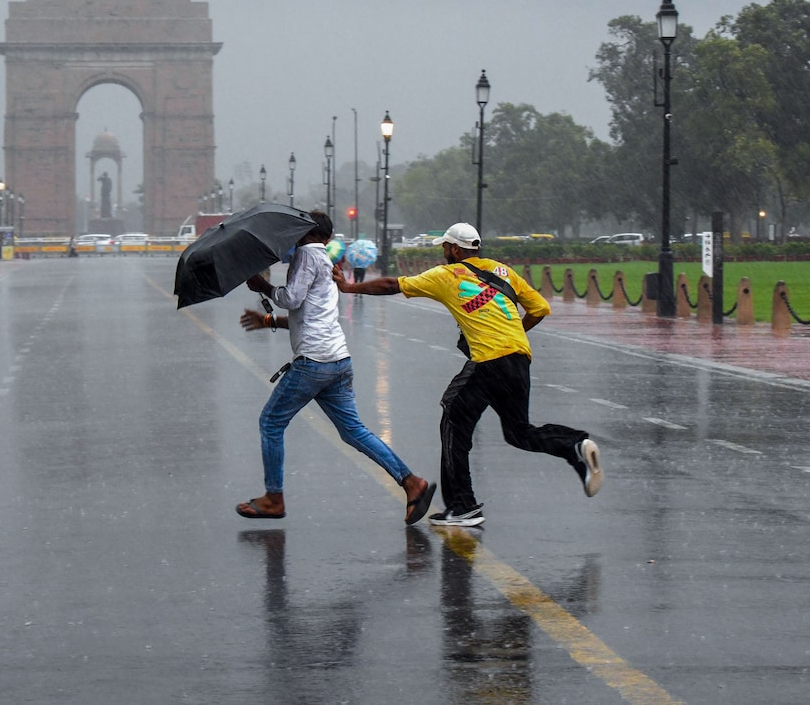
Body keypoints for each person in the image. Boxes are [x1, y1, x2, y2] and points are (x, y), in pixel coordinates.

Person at [332, 222, 602, 527]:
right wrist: (513, 334)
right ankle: (574, 445)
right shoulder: (503, 272)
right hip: (519, 358)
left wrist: (349, 287)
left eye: (446, 247)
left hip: (489, 361)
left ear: (456, 249)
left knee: (453, 419)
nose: (444, 252)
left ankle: (462, 506)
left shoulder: (447, 275)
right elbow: (539, 308)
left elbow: (392, 285)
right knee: (519, 433)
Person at [236, 210, 436, 525]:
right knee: (353, 430)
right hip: (338, 361)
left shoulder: (305, 255)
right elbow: (310, 315)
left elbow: (291, 298)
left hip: (313, 363)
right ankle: (411, 482)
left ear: (305, 233)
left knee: (271, 423)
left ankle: (274, 498)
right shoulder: (326, 260)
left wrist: (263, 286)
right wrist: (269, 320)